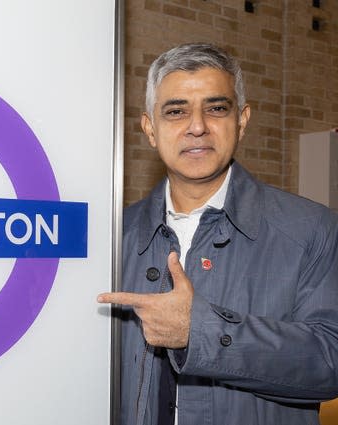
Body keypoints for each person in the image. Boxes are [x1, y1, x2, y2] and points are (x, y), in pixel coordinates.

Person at [97, 43, 338, 425]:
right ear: (150, 129)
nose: (197, 127)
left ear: (242, 120)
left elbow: (330, 361)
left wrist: (201, 331)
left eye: (216, 108)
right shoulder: (110, 238)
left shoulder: (312, 230)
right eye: (176, 111)